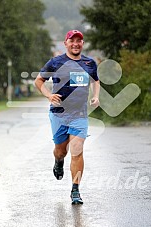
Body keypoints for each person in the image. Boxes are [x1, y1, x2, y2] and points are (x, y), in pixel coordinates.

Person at [35, 30, 100, 204]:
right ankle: (58, 161)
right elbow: (38, 81)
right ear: (66, 43)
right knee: (61, 150)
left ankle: (75, 190)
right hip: (59, 115)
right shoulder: (56, 62)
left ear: (82, 44)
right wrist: (49, 95)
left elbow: (96, 80)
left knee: (77, 150)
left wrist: (96, 96)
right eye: (72, 41)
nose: (76, 44)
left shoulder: (89, 63)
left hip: (79, 115)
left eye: (79, 41)